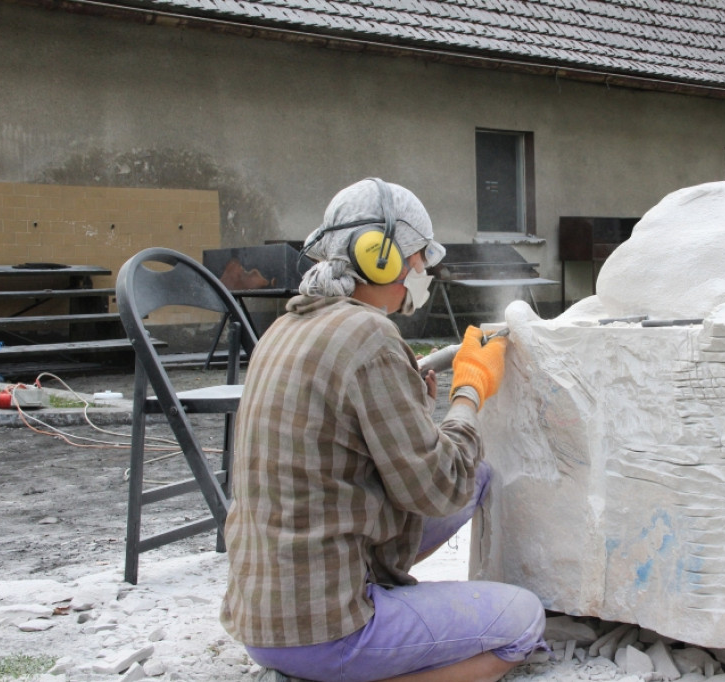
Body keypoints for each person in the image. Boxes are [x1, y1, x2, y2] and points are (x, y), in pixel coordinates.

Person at [220, 178, 547, 682]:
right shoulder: (370, 334)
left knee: (480, 476)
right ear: (379, 256)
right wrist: (469, 391)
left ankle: (376, 612)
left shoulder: (284, 328)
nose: (423, 272)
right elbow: (441, 486)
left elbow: (352, 448)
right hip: (324, 632)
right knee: (523, 621)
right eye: (418, 259)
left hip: (264, 620)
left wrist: (409, 396)